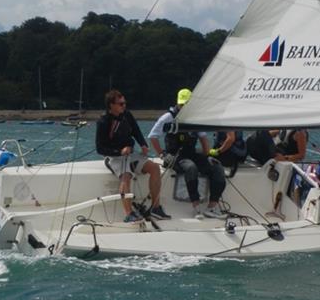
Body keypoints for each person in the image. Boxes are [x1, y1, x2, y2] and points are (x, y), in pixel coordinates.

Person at [148, 88, 227, 219]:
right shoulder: (168, 117)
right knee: (191, 168)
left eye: (186, 104)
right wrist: (161, 154)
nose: (183, 107)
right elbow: (153, 136)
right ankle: (196, 207)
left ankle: (211, 207)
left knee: (216, 167)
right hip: (174, 155)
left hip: (190, 153)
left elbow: (203, 138)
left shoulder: (196, 118)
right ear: (177, 103)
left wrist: (207, 156)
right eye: (181, 104)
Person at [95, 89, 170, 223]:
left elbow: (136, 130)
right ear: (111, 105)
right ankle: (129, 214)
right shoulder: (103, 121)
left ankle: (155, 207)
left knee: (154, 168)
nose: (124, 106)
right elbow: (100, 149)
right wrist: (119, 152)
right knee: (126, 176)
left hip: (131, 154)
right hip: (113, 156)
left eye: (124, 103)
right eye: (121, 104)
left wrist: (143, 144)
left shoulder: (127, 115)